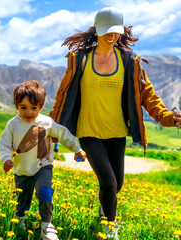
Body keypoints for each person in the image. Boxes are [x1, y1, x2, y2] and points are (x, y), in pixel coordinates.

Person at [50, 6, 181, 239]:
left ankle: (104, 208)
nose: (111, 37)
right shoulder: (80, 60)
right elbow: (62, 97)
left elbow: (149, 97)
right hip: (88, 132)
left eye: (115, 32)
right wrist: (48, 128)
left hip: (117, 132)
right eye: (107, 32)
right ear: (97, 31)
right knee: (109, 183)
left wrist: (170, 119)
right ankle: (110, 228)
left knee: (116, 184)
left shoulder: (130, 61)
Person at [0, 80, 86, 240]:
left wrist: (77, 149)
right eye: (23, 107)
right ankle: (20, 220)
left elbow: (63, 134)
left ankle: (46, 225)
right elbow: (4, 144)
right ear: (16, 105)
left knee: (45, 193)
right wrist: (6, 159)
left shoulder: (46, 122)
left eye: (34, 108)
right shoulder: (12, 125)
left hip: (43, 167)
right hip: (22, 170)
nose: (29, 112)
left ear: (41, 106)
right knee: (22, 201)